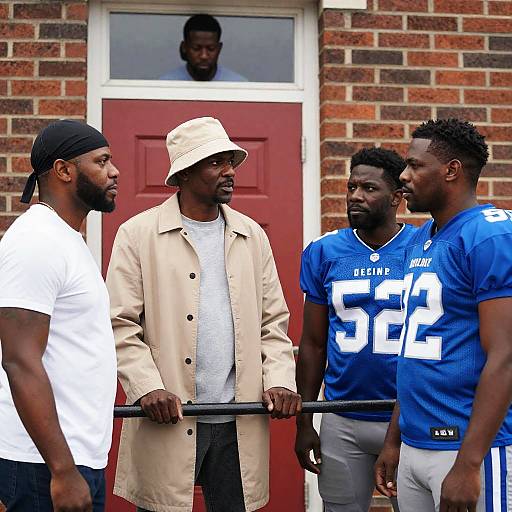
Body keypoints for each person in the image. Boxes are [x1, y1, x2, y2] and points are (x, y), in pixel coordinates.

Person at [106, 116, 301, 512]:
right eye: (216, 163)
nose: (230, 171)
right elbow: (119, 324)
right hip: (168, 417)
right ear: (184, 173)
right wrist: (147, 388)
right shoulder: (137, 234)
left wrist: (280, 378)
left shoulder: (251, 235)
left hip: (238, 420)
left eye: (231, 161)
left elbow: (273, 323)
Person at [375, 118, 512, 511]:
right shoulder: (421, 237)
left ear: (451, 170)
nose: (403, 176)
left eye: (416, 165)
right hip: (416, 443)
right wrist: (394, 439)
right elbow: (413, 350)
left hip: (470, 447)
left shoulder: (490, 235)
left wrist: (470, 464)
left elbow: (505, 355)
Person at [0, 120, 120, 512]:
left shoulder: (66, 238)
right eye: (101, 161)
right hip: (42, 464)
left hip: (72, 456)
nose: (114, 171)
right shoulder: (36, 240)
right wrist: (63, 471)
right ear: (64, 170)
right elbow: (19, 360)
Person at [295, 147, 414, 512]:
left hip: (409, 415)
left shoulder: (425, 247)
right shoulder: (324, 251)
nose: (355, 197)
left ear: (396, 197)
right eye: (351, 187)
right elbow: (313, 345)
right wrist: (304, 422)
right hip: (342, 416)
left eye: (368, 188)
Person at [160, 14, 248, 81]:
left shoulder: (237, 86)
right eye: (196, 48)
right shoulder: (166, 85)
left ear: (219, 49)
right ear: (184, 47)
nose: (204, 56)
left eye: (211, 48)